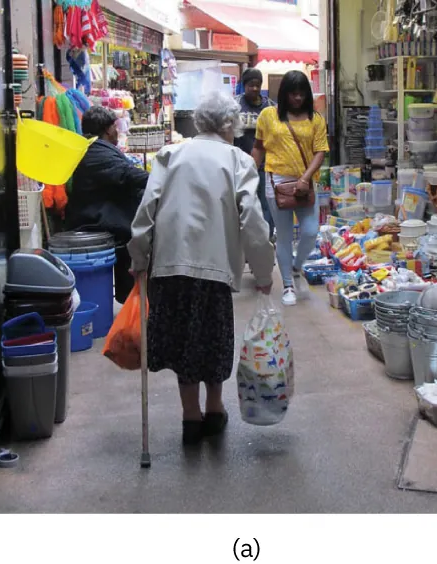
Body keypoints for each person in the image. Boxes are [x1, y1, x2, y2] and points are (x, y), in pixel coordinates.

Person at [128, 91, 275, 446]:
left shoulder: (170, 154)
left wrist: (139, 258)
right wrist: (263, 271)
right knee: (213, 340)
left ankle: (190, 418)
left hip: (170, 265)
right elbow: (253, 221)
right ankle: (214, 409)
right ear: (230, 124)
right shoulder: (238, 160)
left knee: (182, 342)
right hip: (214, 268)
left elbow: (146, 210)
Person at [252, 70, 328, 307]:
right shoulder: (268, 116)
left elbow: (320, 151)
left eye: (302, 93)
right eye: (293, 93)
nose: (298, 98)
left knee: (311, 231)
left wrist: (305, 178)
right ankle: (287, 285)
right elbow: (259, 147)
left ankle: (296, 267)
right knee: (283, 235)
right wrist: (247, 174)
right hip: (275, 182)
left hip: (306, 183)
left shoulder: (316, 119)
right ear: (284, 93)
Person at [65, 105, 149, 304]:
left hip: (98, 214)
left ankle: (129, 296)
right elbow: (127, 174)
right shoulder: (97, 153)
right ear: (108, 129)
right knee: (138, 238)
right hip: (95, 220)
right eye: (115, 127)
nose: (117, 131)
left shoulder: (93, 148)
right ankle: (130, 298)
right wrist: (161, 178)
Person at [235, 67, 276, 239]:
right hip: (240, 165)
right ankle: (244, 240)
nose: (254, 88)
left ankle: (266, 239)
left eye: (258, 85)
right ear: (244, 86)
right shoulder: (235, 106)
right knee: (244, 204)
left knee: (266, 205)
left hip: (266, 166)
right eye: (251, 85)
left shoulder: (271, 107)